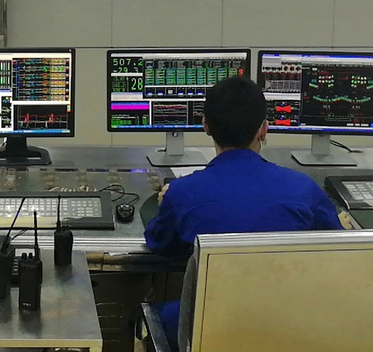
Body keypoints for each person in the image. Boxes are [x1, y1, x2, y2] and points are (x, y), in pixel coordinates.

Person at [144, 76, 344, 348]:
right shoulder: (303, 189)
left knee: (151, 314)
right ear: (264, 129)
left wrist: (166, 203)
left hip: (213, 329)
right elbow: (338, 251)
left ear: (205, 126)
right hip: (288, 330)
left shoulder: (182, 193)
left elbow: (160, 243)